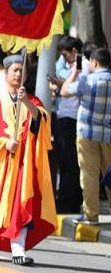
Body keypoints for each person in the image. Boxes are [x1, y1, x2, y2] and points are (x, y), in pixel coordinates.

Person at [0, 54, 55, 266]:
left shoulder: (32, 100)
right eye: (15, 70)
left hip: (23, 166)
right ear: (6, 73)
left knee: (21, 204)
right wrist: (3, 143)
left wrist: (26, 102)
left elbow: (42, 121)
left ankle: (18, 248)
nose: (18, 74)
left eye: (22, 70)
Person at [61, 47, 111, 226]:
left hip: (87, 134)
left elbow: (64, 91)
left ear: (95, 62)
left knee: (89, 175)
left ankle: (91, 215)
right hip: (108, 136)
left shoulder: (87, 81)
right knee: (109, 175)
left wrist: (76, 71)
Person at [49, 36, 84, 213]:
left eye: (65, 54)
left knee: (69, 163)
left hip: (71, 118)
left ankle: (67, 201)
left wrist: (70, 75)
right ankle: (67, 198)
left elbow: (69, 89)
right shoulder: (71, 67)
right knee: (65, 162)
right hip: (64, 116)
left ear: (74, 52)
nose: (63, 58)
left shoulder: (81, 67)